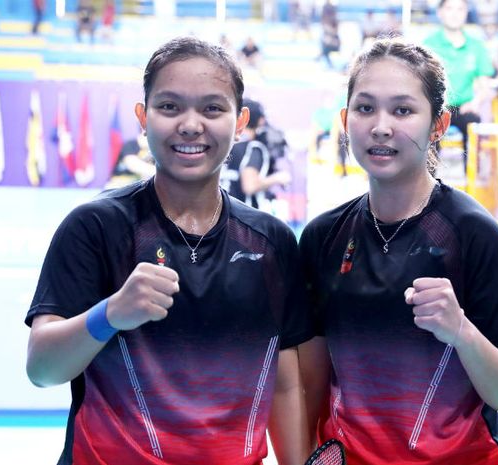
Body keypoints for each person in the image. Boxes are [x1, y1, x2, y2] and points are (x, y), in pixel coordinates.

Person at [25, 37, 312, 465]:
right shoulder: (95, 227)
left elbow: (285, 384)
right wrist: (111, 315)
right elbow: (42, 370)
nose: (191, 124)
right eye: (170, 107)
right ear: (143, 117)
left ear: (240, 122)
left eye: (212, 109)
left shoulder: (272, 243)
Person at [299, 38, 498, 464]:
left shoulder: (473, 234)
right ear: (345, 119)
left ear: (439, 124)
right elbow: (311, 383)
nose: (381, 126)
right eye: (365, 108)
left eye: (403, 110)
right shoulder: (323, 237)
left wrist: (461, 331)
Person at [423, 0, 494, 164]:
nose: (455, 14)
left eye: (460, 9)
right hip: (437, 108)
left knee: (473, 125)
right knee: (427, 128)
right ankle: (428, 185)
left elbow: (485, 85)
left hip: (464, 108)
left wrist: (475, 103)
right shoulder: (429, 44)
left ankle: (472, 182)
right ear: (440, 13)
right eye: (449, 8)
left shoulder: (476, 46)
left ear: (466, 13)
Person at [220, 98, 291, 210]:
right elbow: (250, 186)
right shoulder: (254, 147)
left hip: (219, 214)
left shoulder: (223, 144)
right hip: (242, 218)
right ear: (260, 121)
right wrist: (277, 178)